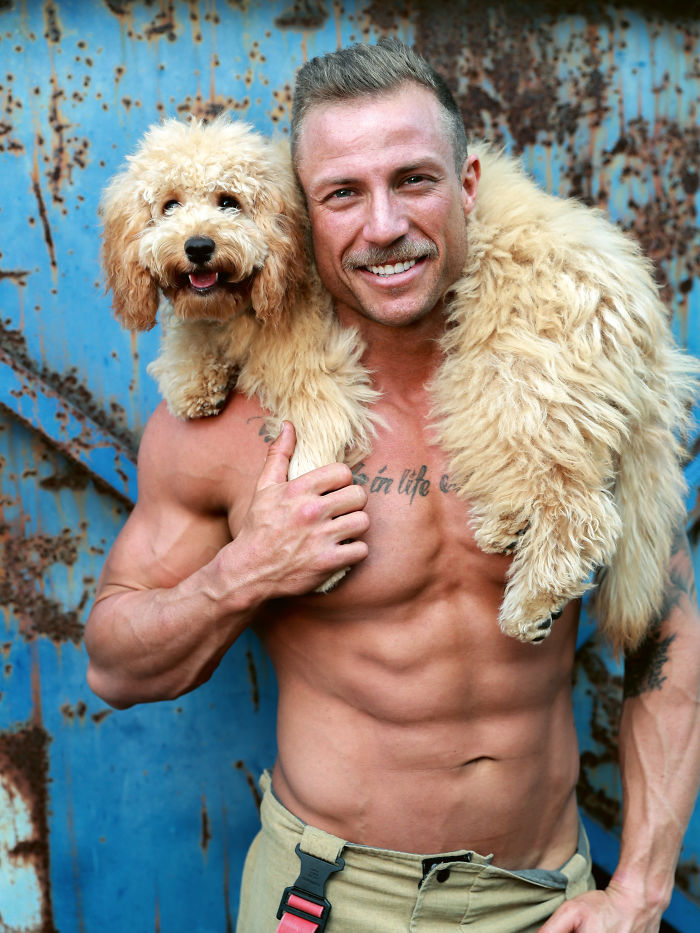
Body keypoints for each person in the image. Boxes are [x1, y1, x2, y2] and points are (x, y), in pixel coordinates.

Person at [85, 38, 700, 933]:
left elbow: (664, 636)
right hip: (329, 899)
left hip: (549, 901)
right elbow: (112, 663)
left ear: (468, 183)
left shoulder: (573, 381)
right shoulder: (228, 425)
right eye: (343, 193)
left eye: (413, 179)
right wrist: (247, 570)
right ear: (302, 216)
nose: (383, 226)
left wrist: (641, 887)